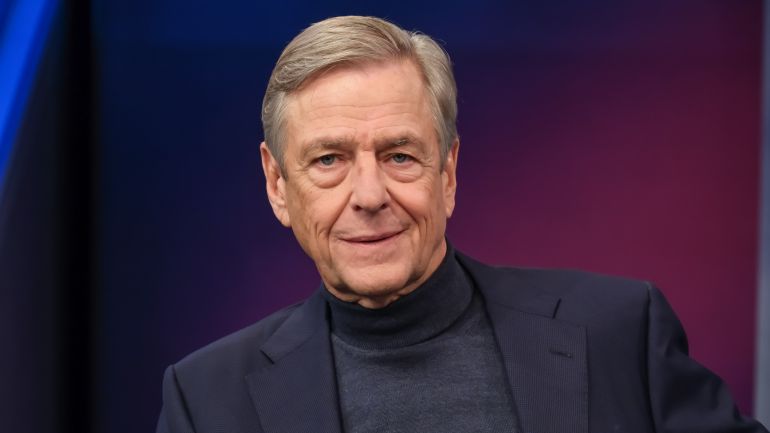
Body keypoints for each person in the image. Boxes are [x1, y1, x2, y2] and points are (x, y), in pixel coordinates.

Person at [156, 15, 768, 433]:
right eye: (328, 160)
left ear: (447, 172)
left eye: (399, 155)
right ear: (277, 185)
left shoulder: (619, 332)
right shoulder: (207, 398)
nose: (368, 195)